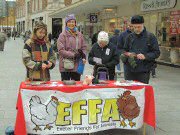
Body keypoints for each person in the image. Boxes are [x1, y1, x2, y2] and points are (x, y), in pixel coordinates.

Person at [121, 15, 160, 84]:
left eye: (139, 27)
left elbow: (156, 52)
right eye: (134, 27)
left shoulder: (150, 36)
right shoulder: (129, 37)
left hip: (143, 71)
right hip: (129, 70)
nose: (136, 29)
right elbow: (124, 50)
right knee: (129, 92)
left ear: (143, 25)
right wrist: (128, 54)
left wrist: (145, 56)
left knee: (141, 91)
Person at [57, 14, 87, 81]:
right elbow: (61, 50)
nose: (71, 24)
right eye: (69, 22)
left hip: (77, 65)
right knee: (65, 87)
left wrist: (84, 56)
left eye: (73, 22)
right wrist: (74, 55)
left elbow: (84, 47)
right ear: (66, 23)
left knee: (76, 86)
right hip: (65, 65)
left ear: (75, 23)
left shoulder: (79, 35)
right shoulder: (62, 35)